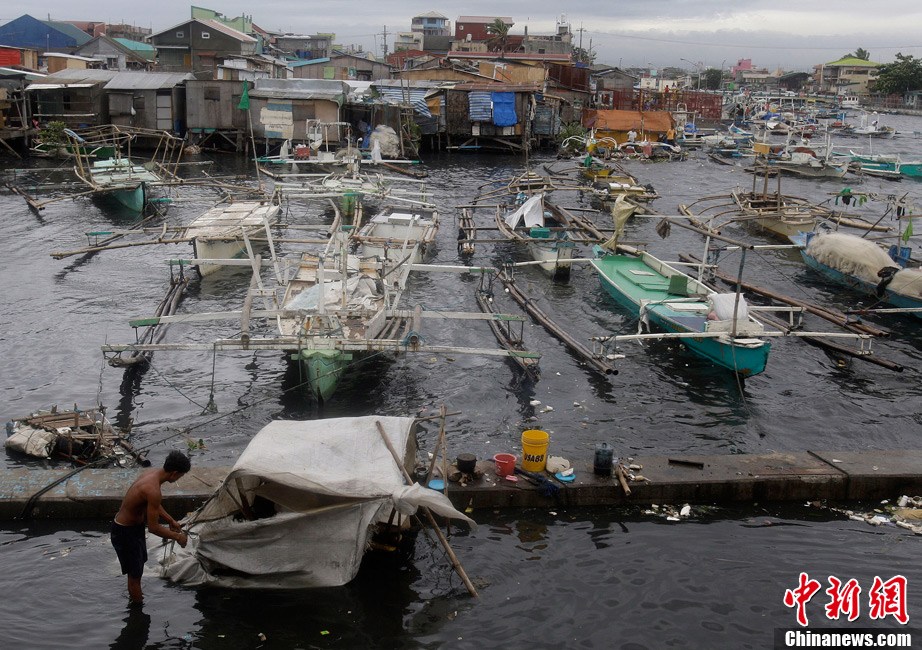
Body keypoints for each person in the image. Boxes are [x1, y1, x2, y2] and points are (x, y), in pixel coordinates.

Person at [111, 451, 191, 605]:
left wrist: (171, 520)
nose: (179, 479)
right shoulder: (153, 490)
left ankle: (136, 599)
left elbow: (152, 504)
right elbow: (154, 528)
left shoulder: (151, 475)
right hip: (125, 533)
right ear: (174, 474)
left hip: (133, 529)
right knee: (134, 576)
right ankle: (138, 610)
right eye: (180, 476)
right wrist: (178, 537)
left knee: (137, 570)